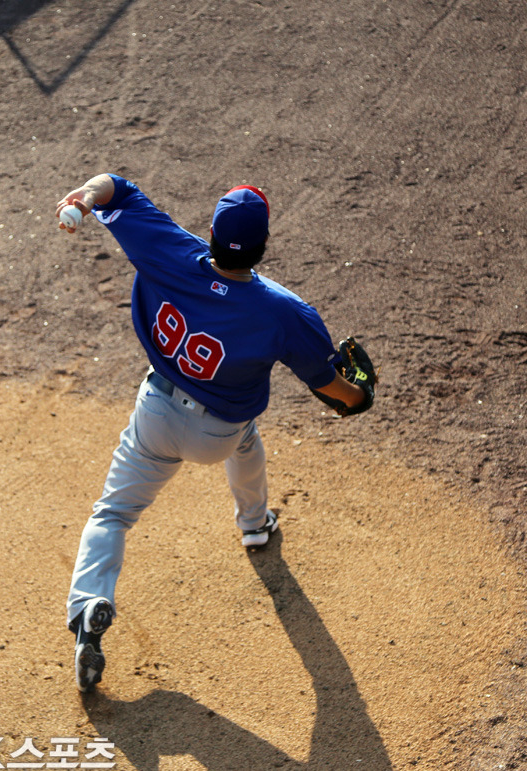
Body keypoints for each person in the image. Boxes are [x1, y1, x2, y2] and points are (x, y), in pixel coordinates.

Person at [55, 174, 375, 692]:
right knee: (246, 439)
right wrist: (361, 396)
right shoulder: (285, 312)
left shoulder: (168, 248)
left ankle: (89, 605)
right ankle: (255, 524)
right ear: (263, 246)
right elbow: (338, 393)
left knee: (112, 513)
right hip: (220, 433)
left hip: (156, 415)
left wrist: (85, 200)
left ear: (209, 232)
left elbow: (113, 185)